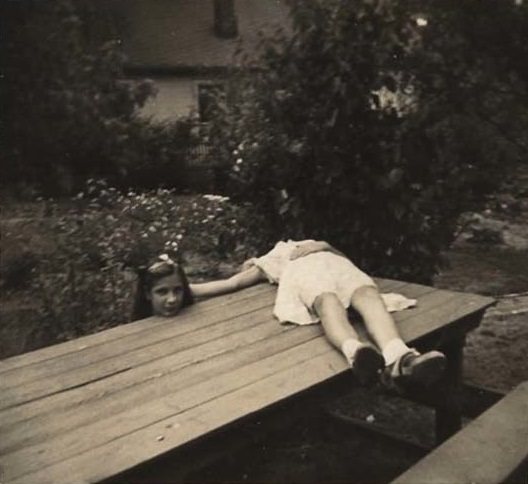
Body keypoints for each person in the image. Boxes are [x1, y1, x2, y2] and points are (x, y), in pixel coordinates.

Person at [135, 241, 446, 388]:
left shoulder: (317, 245)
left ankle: (401, 357)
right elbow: (230, 283)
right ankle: (357, 351)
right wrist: (185, 290)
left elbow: (344, 260)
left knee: (367, 295)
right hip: (306, 275)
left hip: (336, 264)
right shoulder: (271, 260)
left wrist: (326, 246)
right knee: (326, 301)